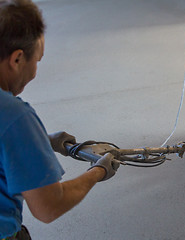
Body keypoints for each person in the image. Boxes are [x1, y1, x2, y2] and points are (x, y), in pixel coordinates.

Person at [0, 1, 120, 239]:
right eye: (37, 60)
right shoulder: (14, 115)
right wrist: (97, 172)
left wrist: (41, 141)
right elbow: (48, 207)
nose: (35, 71)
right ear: (16, 59)